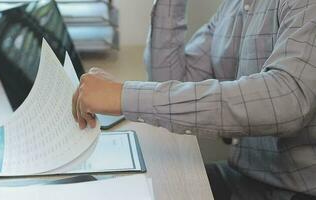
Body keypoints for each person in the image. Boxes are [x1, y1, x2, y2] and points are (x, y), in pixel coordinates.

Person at [72, 0, 316, 199]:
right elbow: (169, 79)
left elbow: (287, 99)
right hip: (245, 181)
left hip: (294, 192)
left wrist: (124, 95)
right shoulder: (236, 6)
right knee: (131, 186)